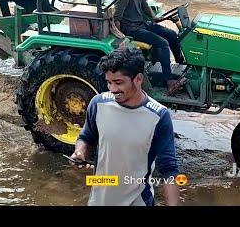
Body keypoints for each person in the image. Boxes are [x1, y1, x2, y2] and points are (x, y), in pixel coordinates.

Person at [70, 47, 180, 206]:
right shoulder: (98, 104)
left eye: (118, 82)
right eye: (109, 82)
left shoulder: (158, 117)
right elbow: (86, 137)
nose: (112, 89)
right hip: (99, 200)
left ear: (138, 79)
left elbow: (169, 170)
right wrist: (80, 151)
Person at [113, 0, 185, 94]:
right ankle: (169, 81)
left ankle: (180, 65)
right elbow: (117, 17)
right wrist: (122, 38)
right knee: (163, 44)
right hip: (132, 29)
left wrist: (153, 17)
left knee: (171, 34)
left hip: (142, 24)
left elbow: (143, 4)